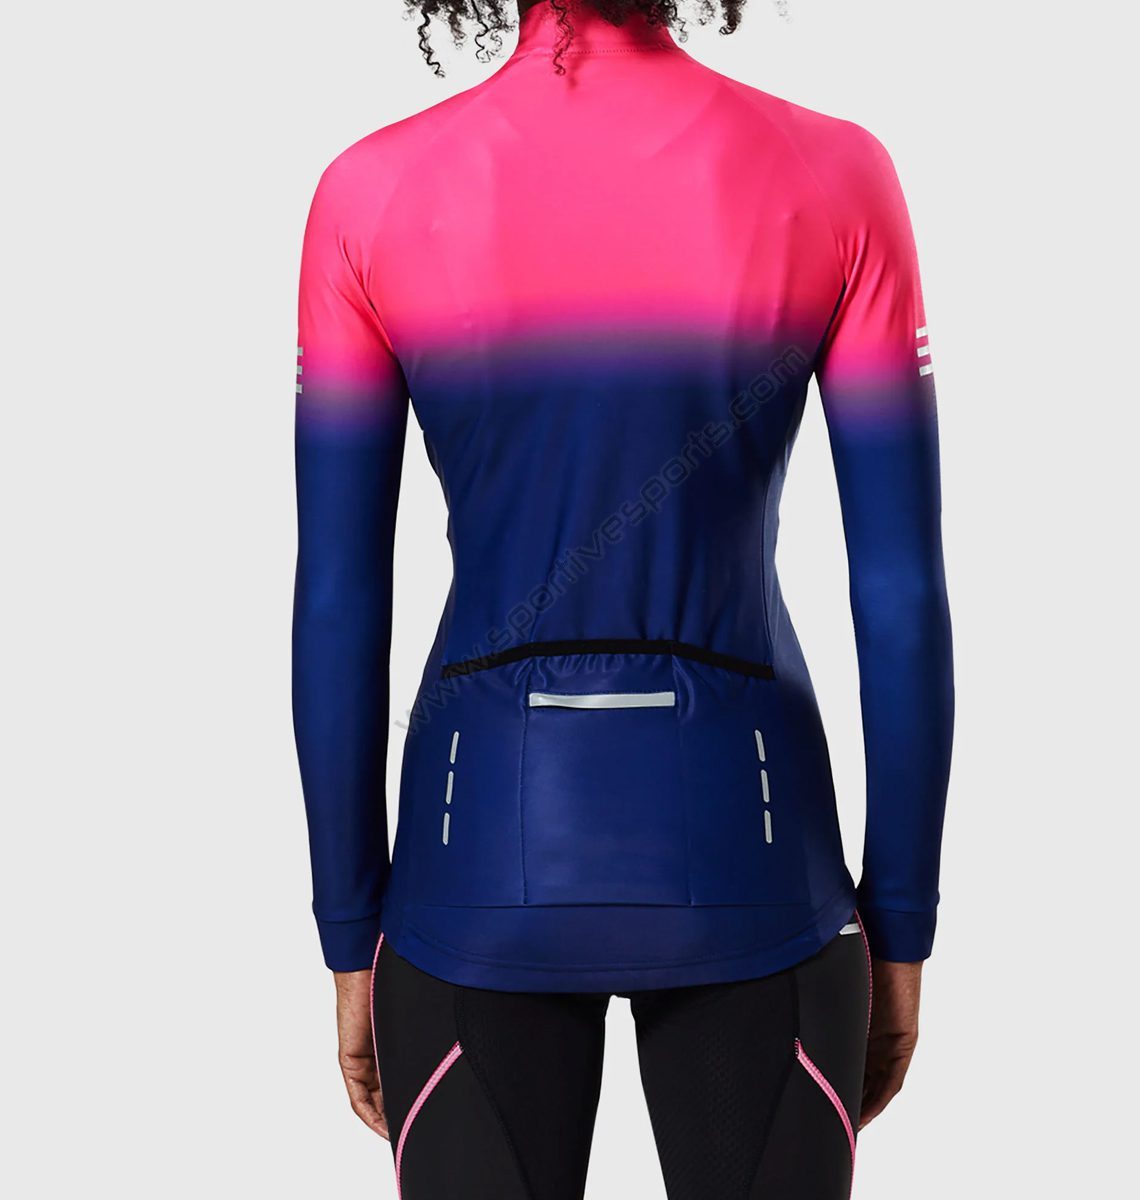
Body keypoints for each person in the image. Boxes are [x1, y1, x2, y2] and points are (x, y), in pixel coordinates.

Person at [292, 0, 954, 1195]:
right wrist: (902, 923)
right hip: (762, 861)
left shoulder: (370, 192)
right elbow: (899, 594)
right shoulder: (835, 175)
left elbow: (339, 600)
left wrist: (348, 929)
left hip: (467, 869)